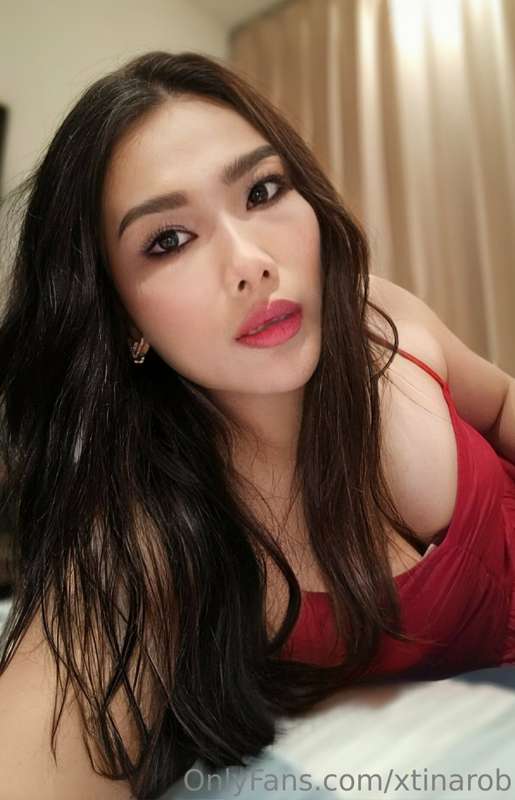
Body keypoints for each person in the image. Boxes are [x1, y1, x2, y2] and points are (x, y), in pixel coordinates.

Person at [0, 49, 513, 800]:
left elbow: (499, 405)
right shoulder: (151, 536)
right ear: (123, 319)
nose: (250, 262)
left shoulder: (376, 316)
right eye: (168, 240)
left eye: (262, 190)